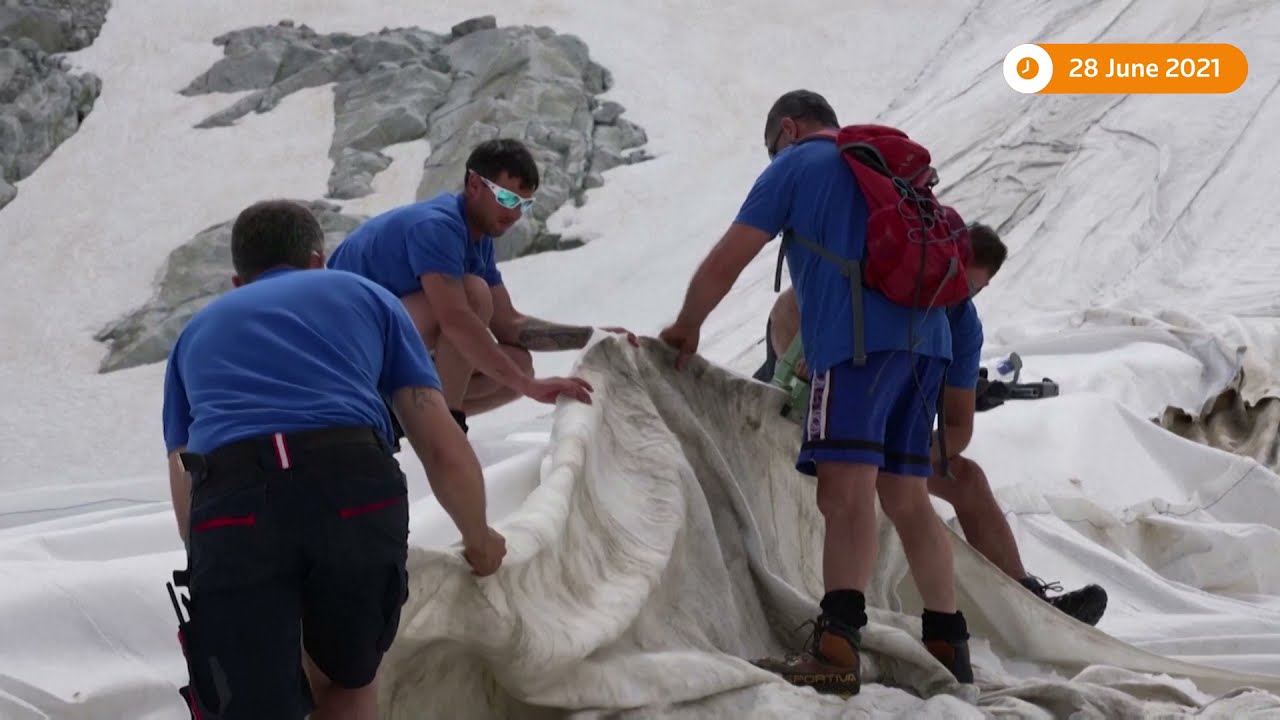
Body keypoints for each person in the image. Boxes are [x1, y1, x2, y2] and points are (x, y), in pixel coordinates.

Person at [659, 90, 972, 696]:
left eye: (772, 144)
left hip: (856, 349)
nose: (772, 154)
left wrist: (688, 324)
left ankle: (836, 648)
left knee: (844, 495)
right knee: (907, 498)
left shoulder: (796, 164)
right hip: (927, 344)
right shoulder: (882, 165)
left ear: (789, 128)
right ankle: (947, 645)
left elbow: (731, 257)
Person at [161, 199, 524, 719]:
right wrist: (479, 537)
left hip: (233, 505)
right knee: (347, 682)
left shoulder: (195, 333)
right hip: (352, 487)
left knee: (253, 705)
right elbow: (439, 441)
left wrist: (215, 562)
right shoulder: (367, 296)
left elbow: (183, 476)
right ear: (318, 261)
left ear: (238, 282)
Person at [757, 223, 1110, 627]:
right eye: (958, 280)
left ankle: (1029, 604)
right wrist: (804, 362)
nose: (958, 294)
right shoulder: (889, 276)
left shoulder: (960, 326)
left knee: (966, 479)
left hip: (877, 435)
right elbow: (789, 308)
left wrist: (899, 461)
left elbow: (957, 429)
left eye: (971, 290)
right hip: (812, 410)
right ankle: (859, 628)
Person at [326, 138, 634, 441]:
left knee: (518, 364)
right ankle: (443, 428)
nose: (515, 214)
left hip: (380, 346)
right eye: (507, 199)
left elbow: (509, 325)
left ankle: (403, 419)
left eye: (524, 204)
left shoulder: (477, 239)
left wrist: (592, 337)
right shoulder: (437, 225)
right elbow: (456, 320)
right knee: (474, 295)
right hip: (343, 350)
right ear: (474, 185)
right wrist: (531, 387)